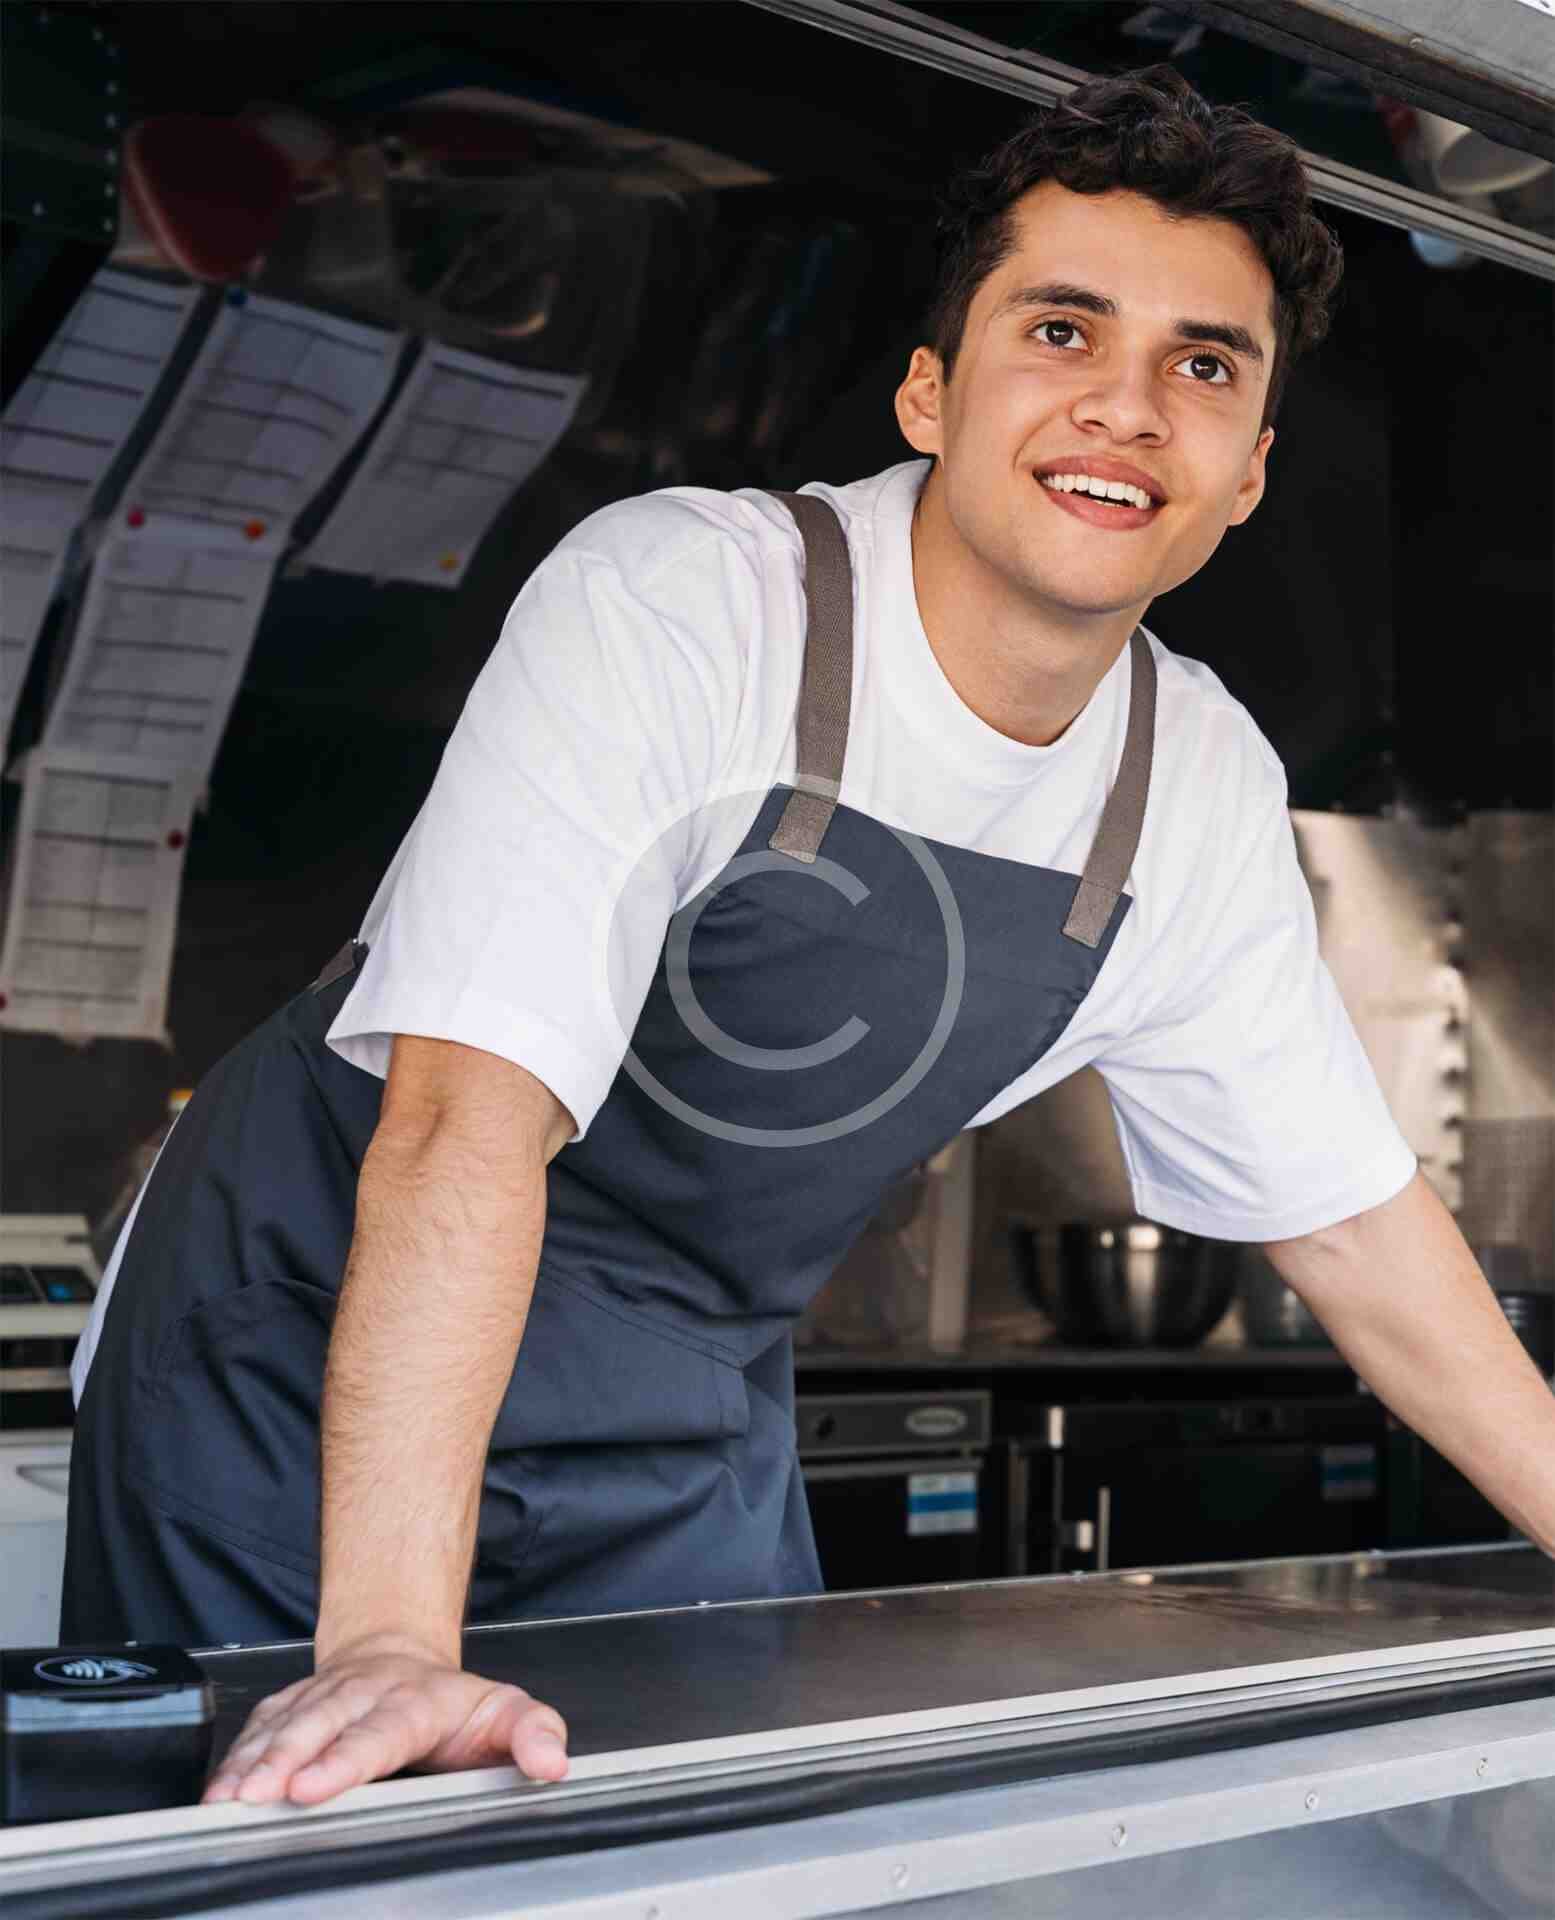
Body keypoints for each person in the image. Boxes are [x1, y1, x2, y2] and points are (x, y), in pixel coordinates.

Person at [63, 65, 1555, 1811]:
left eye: (1202, 367)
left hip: (675, 1410)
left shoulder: (1195, 774)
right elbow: (464, 1121)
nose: (1128, 409)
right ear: (929, 392)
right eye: (1060, 331)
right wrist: (390, 1638)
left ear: (1247, 476)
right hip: (305, 1364)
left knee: (722, 1859)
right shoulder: (690, 602)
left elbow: (1360, 1233)